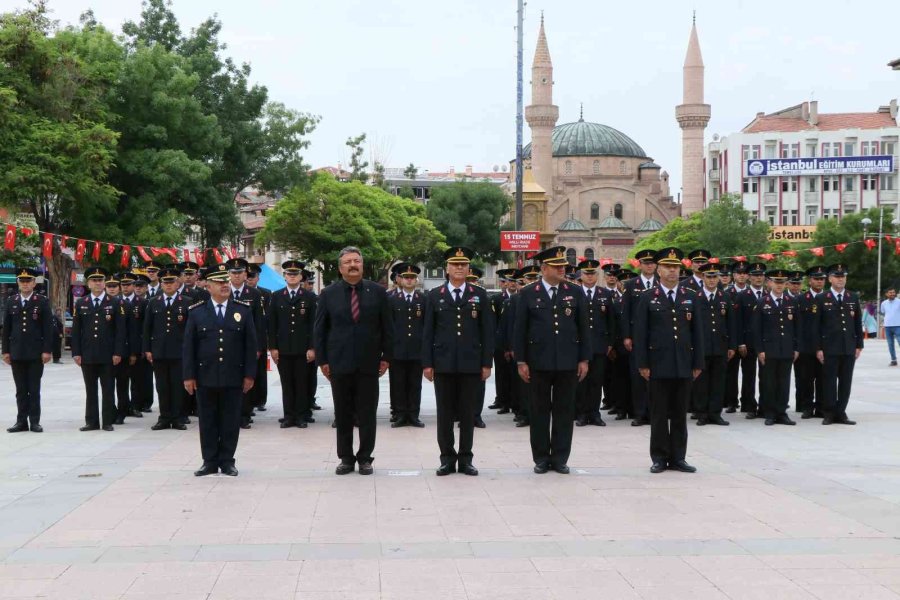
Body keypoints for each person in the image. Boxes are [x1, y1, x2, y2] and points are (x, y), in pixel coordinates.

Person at [314, 246, 392, 475]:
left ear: (362, 265)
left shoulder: (377, 292)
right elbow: (320, 330)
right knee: (343, 413)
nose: (352, 265)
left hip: (370, 363)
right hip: (339, 363)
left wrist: (387, 357)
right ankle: (346, 458)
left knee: (368, 413)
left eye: (356, 261)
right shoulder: (328, 294)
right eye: (347, 262)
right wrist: (323, 360)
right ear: (340, 268)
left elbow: (388, 327)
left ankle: (365, 457)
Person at [513, 246, 590, 475]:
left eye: (563, 266)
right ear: (544, 268)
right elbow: (520, 330)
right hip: (538, 362)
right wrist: (521, 361)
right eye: (557, 267)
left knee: (564, 411)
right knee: (539, 411)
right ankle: (541, 458)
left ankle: (559, 458)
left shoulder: (575, 292)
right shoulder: (528, 293)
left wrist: (584, 359)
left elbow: (583, 328)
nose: (561, 270)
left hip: (567, 361)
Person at [632, 247, 704, 474]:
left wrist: (697, 363)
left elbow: (698, 333)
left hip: (683, 363)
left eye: (675, 267)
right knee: (659, 413)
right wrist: (642, 363)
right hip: (657, 364)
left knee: (680, 413)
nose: (672, 271)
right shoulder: (647, 297)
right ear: (658, 270)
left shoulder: (691, 296)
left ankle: (679, 457)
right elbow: (640, 334)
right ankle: (660, 457)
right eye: (667, 267)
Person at [422, 248, 493, 476]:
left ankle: (465, 459)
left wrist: (486, 363)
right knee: (444, 414)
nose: (460, 268)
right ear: (447, 269)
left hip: (471, 363)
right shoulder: (435, 295)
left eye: (463, 265)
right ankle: (446, 459)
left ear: (469, 269)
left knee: (467, 413)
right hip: (443, 363)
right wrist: (427, 363)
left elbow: (487, 332)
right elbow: (428, 332)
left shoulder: (479, 295)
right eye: (455, 264)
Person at [183, 263, 257, 476]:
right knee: (207, 420)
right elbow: (189, 347)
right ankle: (209, 461)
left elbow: (250, 346)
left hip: (233, 375)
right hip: (205, 376)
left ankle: (227, 460)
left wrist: (249, 374)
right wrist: (188, 375)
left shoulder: (242, 310)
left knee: (230, 420)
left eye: (226, 281)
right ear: (208, 286)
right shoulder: (197, 313)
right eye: (219, 282)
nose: (224, 285)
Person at [72, 267, 126, 431]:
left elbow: (120, 331)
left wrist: (118, 352)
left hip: (108, 354)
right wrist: (76, 353)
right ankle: (91, 421)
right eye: (94, 280)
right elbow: (76, 331)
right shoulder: (82, 303)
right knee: (91, 390)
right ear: (88, 283)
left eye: (100, 280)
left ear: (104, 283)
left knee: (108, 389)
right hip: (88, 354)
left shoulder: (115, 302)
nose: (97, 283)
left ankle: (108, 421)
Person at [267, 260, 316, 429]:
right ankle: (288, 416)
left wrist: (312, 347)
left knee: (302, 383)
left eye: (295, 274)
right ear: (285, 276)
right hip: (283, 348)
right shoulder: (277, 296)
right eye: (289, 274)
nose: (292, 277)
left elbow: (313, 325)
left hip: (303, 349)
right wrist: (272, 347)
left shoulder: (309, 297)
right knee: (287, 384)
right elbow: (271, 324)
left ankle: (301, 416)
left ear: (301, 277)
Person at [3, 267, 52, 433]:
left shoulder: (42, 301)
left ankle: (35, 421)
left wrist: (47, 350)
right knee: (21, 390)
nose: (25, 284)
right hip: (16, 352)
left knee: (34, 388)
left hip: (35, 352)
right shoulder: (11, 301)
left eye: (28, 281)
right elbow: (6, 329)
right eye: (22, 281)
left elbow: (48, 328)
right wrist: (5, 351)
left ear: (34, 283)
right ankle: (21, 421)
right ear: (18, 283)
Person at [144, 267, 193, 430]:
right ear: (161, 284)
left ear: (178, 283)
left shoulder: (186, 301)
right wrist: (147, 349)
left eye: (171, 282)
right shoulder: (153, 302)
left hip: (179, 352)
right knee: (162, 386)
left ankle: (178, 417)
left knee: (178, 387)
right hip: (159, 351)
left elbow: (191, 329)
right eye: (165, 282)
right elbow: (147, 328)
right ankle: (164, 417)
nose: (169, 285)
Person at [816, 264, 863, 425]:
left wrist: (859, 345)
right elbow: (816, 326)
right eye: (837, 276)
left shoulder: (852, 297)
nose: (840, 279)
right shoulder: (822, 298)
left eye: (843, 276)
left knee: (845, 381)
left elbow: (857, 323)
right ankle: (829, 412)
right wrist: (818, 348)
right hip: (829, 347)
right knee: (829, 381)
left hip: (848, 346)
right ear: (829, 278)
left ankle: (841, 411)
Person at [752, 269, 798, 426]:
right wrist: (760, 350)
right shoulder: (761, 302)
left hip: (786, 349)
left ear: (786, 284)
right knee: (769, 383)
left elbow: (797, 328)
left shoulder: (792, 302)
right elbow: (756, 330)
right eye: (776, 282)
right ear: (770, 283)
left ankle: (781, 413)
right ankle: (770, 413)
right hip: (769, 350)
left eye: (782, 282)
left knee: (784, 383)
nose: (779, 285)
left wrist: (796, 348)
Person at [225, 258, 266, 429]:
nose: (236, 276)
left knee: (247, 379)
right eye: (233, 273)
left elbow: (259, 323)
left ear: (245, 274)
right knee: (229, 380)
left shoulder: (254, 294)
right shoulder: (223, 291)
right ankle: (230, 415)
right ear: (229, 274)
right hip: (227, 344)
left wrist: (258, 347)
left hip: (247, 344)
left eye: (240, 272)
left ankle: (245, 414)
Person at [693, 263, 735, 426]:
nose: (711, 280)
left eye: (714, 277)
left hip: (720, 346)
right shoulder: (695, 297)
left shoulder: (724, 297)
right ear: (703, 278)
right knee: (701, 383)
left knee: (718, 382)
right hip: (702, 347)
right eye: (708, 277)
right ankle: (702, 413)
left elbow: (731, 323)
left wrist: (732, 345)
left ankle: (715, 413)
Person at [575, 259, 613, 427]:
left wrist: (610, 343)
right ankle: (582, 413)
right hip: (579, 345)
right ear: (581, 276)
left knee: (597, 381)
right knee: (581, 380)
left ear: (597, 276)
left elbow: (612, 321)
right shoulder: (574, 293)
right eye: (586, 274)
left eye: (592, 274)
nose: (590, 277)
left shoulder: (605, 294)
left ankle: (595, 413)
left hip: (599, 344)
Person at [621, 249, 657, 426]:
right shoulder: (631, 284)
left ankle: (656, 412)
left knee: (657, 376)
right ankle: (640, 413)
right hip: (637, 337)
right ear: (640, 265)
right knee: (638, 376)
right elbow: (625, 312)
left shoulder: (661, 283)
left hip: (658, 337)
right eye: (646, 263)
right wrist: (626, 336)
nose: (649, 266)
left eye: (652, 263)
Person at [388, 263, 426, 428]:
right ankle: (400, 414)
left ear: (416, 280)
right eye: (406, 277)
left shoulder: (423, 300)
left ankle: (413, 415)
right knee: (398, 383)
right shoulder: (391, 300)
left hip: (417, 350)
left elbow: (427, 325)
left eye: (412, 278)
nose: (409, 280)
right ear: (400, 280)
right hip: (397, 349)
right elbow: (388, 326)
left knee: (415, 384)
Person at [795, 266, 827, 419]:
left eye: (822, 279)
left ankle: (821, 407)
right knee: (805, 379)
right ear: (810, 280)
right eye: (816, 279)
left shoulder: (829, 298)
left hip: (825, 346)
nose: (819, 281)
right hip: (806, 346)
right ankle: (807, 407)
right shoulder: (800, 299)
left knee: (823, 379)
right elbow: (797, 325)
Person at [246, 263, 271, 413]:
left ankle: (260, 399)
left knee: (260, 371)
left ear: (258, 278)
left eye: (252, 277)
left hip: (260, 334)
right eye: (247, 276)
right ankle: (248, 400)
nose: (249, 279)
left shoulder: (265, 294)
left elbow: (266, 318)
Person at [881, 287, 900, 366]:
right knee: (890, 344)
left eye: (893, 292)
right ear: (887, 294)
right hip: (887, 326)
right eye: (890, 293)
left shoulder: (899, 302)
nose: (892, 294)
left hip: (898, 326)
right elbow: (883, 312)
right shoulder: (884, 303)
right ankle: (893, 360)